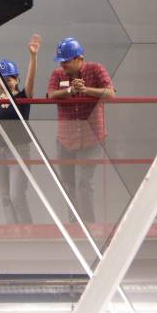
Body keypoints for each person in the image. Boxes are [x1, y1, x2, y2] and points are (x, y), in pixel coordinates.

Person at [46, 37, 115, 223]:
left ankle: (89, 225)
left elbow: (110, 93)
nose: (63, 65)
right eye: (61, 62)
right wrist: (69, 91)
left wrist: (86, 90)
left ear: (79, 59)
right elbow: (50, 94)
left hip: (91, 138)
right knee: (68, 183)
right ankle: (74, 223)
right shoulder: (57, 74)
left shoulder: (96, 69)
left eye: (66, 61)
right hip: (66, 139)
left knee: (84, 183)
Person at [0, 34, 40, 223]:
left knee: (16, 196)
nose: (3, 82)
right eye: (0, 79)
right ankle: (12, 232)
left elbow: (31, 81)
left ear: (16, 79)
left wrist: (33, 57)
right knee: (5, 198)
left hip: (18, 150)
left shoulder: (22, 98)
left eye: (8, 79)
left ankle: (28, 231)